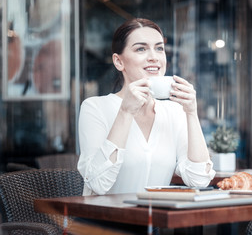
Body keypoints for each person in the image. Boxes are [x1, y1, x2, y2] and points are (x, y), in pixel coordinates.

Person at [77, 18, 216, 195]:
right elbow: (98, 184)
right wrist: (126, 112)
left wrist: (191, 112)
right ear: (119, 62)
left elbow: (199, 180)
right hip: (102, 221)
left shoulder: (174, 112)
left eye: (159, 48)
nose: (154, 57)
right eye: (141, 49)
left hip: (153, 221)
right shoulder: (95, 108)